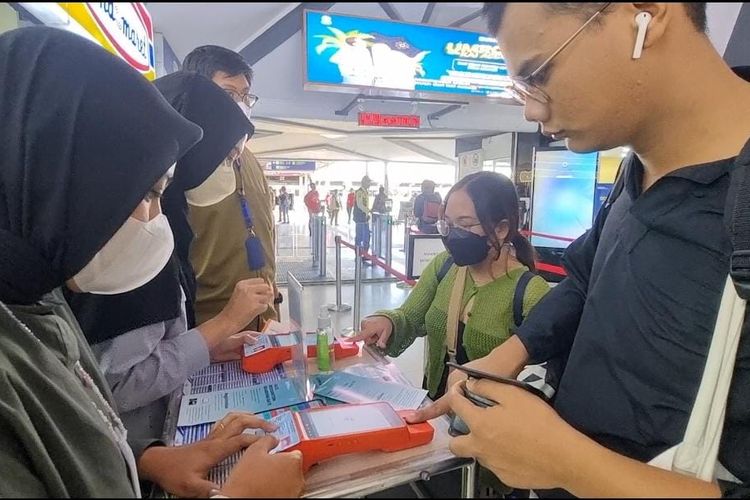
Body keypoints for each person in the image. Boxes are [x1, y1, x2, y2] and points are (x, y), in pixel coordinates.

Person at [409, 3, 750, 497]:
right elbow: (586, 279)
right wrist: (506, 356)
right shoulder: (634, 173)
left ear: (647, 15)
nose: (531, 108)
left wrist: (568, 463)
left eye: (540, 72)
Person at [0, 26, 303, 498]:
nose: (152, 218)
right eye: (145, 192)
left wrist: (147, 458)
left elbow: (86, 433)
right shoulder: (46, 311)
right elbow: (117, 384)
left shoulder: (37, 308)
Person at [64, 70, 274, 442]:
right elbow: (116, 382)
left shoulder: (170, 219)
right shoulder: (131, 237)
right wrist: (222, 324)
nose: (227, 169)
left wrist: (205, 345)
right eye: (222, 157)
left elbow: (157, 342)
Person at [349, 172, 550, 399]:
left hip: (489, 423)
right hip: (435, 404)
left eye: (464, 224)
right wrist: (388, 322)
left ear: (501, 229)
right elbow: (410, 317)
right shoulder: (444, 265)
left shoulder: (530, 292)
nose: (453, 235)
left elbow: (543, 374)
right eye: (448, 224)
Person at [182, 45, 282, 332]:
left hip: (263, 320)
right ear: (199, 92)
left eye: (245, 95)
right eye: (227, 93)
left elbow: (265, 227)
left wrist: (270, 282)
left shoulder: (250, 158)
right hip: (207, 327)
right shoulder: (180, 160)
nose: (239, 105)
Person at [353, 176, 373, 264]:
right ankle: (358, 254)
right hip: (360, 218)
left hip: (364, 217)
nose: (370, 184)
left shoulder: (365, 192)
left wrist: (367, 213)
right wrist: (368, 211)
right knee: (359, 237)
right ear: (364, 182)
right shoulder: (360, 192)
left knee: (366, 237)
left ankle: (365, 254)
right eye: (368, 182)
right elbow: (360, 204)